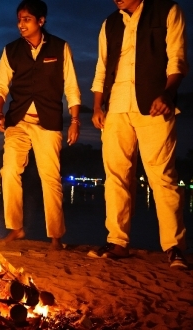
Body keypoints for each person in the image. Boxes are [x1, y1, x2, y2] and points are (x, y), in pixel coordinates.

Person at [87, 0, 188, 268]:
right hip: (116, 106)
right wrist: (97, 106)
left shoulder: (167, 10)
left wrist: (167, 93)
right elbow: (102, 66)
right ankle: (118, 242)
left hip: (153, 104)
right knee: (115, 176)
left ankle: (174, 247)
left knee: (163, 177)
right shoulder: (110, 23)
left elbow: (176, 58)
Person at [0, 0, 81, 250]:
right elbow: (0, 87)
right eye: (19, 19)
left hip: (48, 122)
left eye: (27, 19)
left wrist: (74, 120)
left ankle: (55, 236)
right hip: (18, 121)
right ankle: (16, 228)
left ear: (41, 21)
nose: (21, 24)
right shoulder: (10, 50)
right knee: (9, 171)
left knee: (50, 177)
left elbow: (71, 87)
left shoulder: (60, 48)